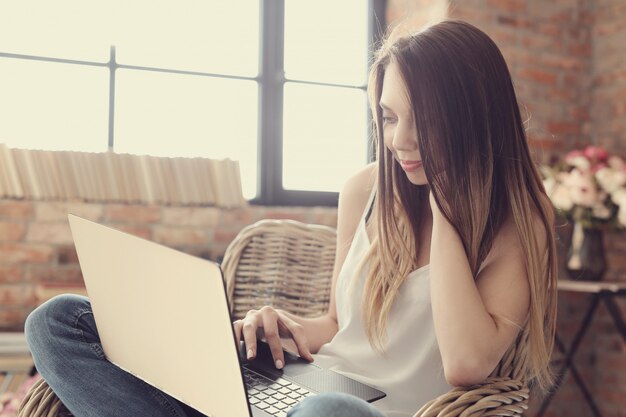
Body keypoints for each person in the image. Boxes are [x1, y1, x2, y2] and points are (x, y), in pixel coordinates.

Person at [24, 20, 557, 417]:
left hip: (367, 413)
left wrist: (445, 205)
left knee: (325, 412)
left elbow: (466, 364)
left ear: (472, 119)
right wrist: (284, 327)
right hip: (304, 386)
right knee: (59, 321)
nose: (398, 141)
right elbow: (338, 324)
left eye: (425, 121)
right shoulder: (364, 190)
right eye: (390, 118)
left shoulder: (519, 223)